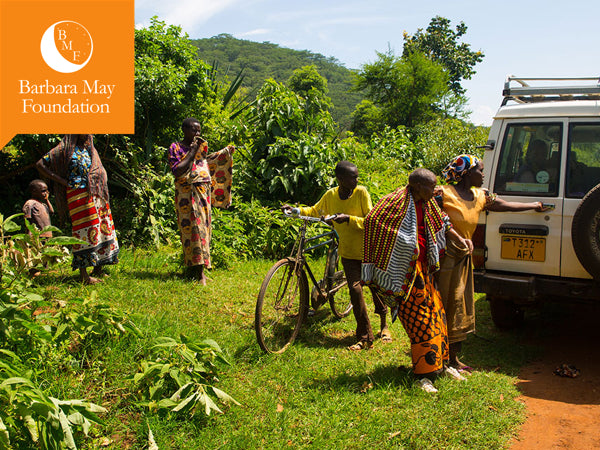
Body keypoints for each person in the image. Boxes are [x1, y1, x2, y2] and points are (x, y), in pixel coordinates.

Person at [437, 154, 549, 370]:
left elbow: (505, 205)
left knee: (460, 305)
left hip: (463, 259)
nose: (484, 173)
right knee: (443, 303)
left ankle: (453, 358)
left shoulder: (480, 196)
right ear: (467, 173)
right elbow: (431, 217)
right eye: (480, 169)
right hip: (444, 260)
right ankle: (438, 356)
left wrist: (534, 205)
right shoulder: (443, 194)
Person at [362, 168, 470, 391]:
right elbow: (372, 221)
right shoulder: (394, 203)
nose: (436, 190)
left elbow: (444, 223)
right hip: (406, 275)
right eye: (432, 186)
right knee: (420, 322)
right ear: (418, 187)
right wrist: (405, 243)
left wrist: (460, 239)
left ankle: (440, 365)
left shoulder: (429, 203)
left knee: (437, 315)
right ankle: (423, 375)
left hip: (425, 270)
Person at [283, 161, 390, 350]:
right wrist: (297, 211)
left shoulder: (361, 193)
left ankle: (384, 324)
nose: (356, 180)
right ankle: (365, 337)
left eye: (357, 176)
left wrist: (348, 219)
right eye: (352, 177)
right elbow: (316, 210)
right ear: (340, 179)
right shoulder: (331, 195)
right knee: (356, 291)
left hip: (367, 252)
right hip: (348, 252)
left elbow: (370, 221)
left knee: (375, 288)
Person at [36, 134, 119, 284]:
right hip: (78, 194)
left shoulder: (89, 147)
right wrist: (62, 181)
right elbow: (40, 164)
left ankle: (98, 267)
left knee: (100, 228)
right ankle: (84, 275)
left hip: (96, 193)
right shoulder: (65, 147)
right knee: (84, 231)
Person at [168, 117, 234, 285]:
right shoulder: (175, 148)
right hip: (187, 198)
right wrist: (192, 151)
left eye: (199, 130)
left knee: (204, 231)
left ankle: (198, 270)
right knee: (192, 233)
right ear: (184, 130)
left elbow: (206, 163)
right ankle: (198, 273)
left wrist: (224, 153)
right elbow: (178, 170)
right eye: (193, 130)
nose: (197, 134)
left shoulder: (201, 149)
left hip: (203, 198)